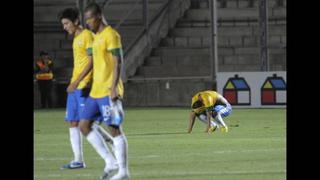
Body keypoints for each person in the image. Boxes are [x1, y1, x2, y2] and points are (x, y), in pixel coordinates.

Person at [58, 8, 114, 170]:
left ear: (76, 21)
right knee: (73, 122)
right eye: (63, 24)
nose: (65, 27)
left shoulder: (87, 36)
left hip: (83, 85)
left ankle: (112, 142)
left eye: (67, 23)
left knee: (87, 122)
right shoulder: (76, 38)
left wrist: (78, 82)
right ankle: (78, 160)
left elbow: (92, 61)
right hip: (75, 86)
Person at [79, 3, 129, 180]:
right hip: (95, 91)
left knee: (114, 129)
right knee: (84, 126)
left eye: (89, 19)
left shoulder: (111, 34)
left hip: (108, 90)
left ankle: (123, 172)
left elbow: (118, 62)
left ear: (99, 16)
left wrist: (114, 87)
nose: (87, 23)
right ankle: (110, 161)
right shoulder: (95, 37)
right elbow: (95, 63)